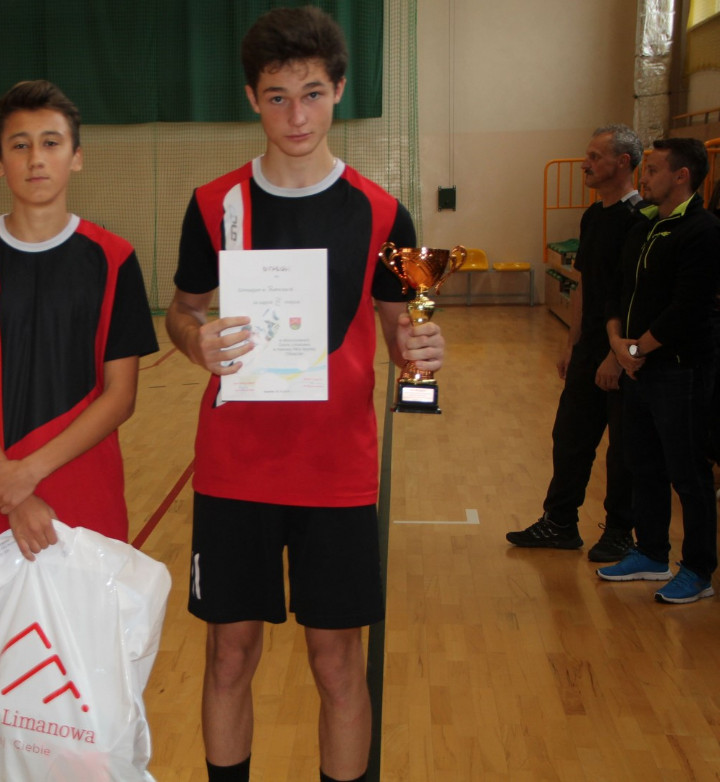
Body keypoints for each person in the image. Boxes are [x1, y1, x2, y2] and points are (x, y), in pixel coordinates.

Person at [164, 8, 445, 782]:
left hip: (337, 474)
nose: (297, 116)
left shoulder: (387, 212)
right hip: (234, 469)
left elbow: (409, 334)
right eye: (278, 97)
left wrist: (424, 356)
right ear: (251, 99)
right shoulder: (212, 203)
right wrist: (195, 341)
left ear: (340, 91)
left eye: (313, 94)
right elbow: (181, 310)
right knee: (229, 655)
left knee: (337, 662)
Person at [0, 80, 159, 677]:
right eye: (19, 145)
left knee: (88, 679)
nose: (36, 158)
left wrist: (29, 476)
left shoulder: (114, 257)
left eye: (51, 143)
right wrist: (15, 491)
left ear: (76, 156)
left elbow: (121, 395)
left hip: (84, 494)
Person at [506, 125, 642, 561]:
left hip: (621, 353)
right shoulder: (593, 215)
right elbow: (586, 284)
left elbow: (633, 296)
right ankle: (560, 522)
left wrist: (616, 356)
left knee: (622, 450)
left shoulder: (639, 220)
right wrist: (572, 342)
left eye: (595, 157)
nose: (585, 164)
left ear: (623, 162)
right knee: (570, 436)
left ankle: (619, 531)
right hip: (589, 350)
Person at [596, 137, 719, 603]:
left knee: (688, 472)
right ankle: (650, 552)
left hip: (678, 370)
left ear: (681, 176)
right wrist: (617, 342)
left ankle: (699, 569)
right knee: (642, 462)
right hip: (637, 366)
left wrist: (638, 347)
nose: (644, 178)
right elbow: (618, 291)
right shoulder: (644, 225)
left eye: (653, 170)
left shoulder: (703, 230)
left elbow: (688, 307)